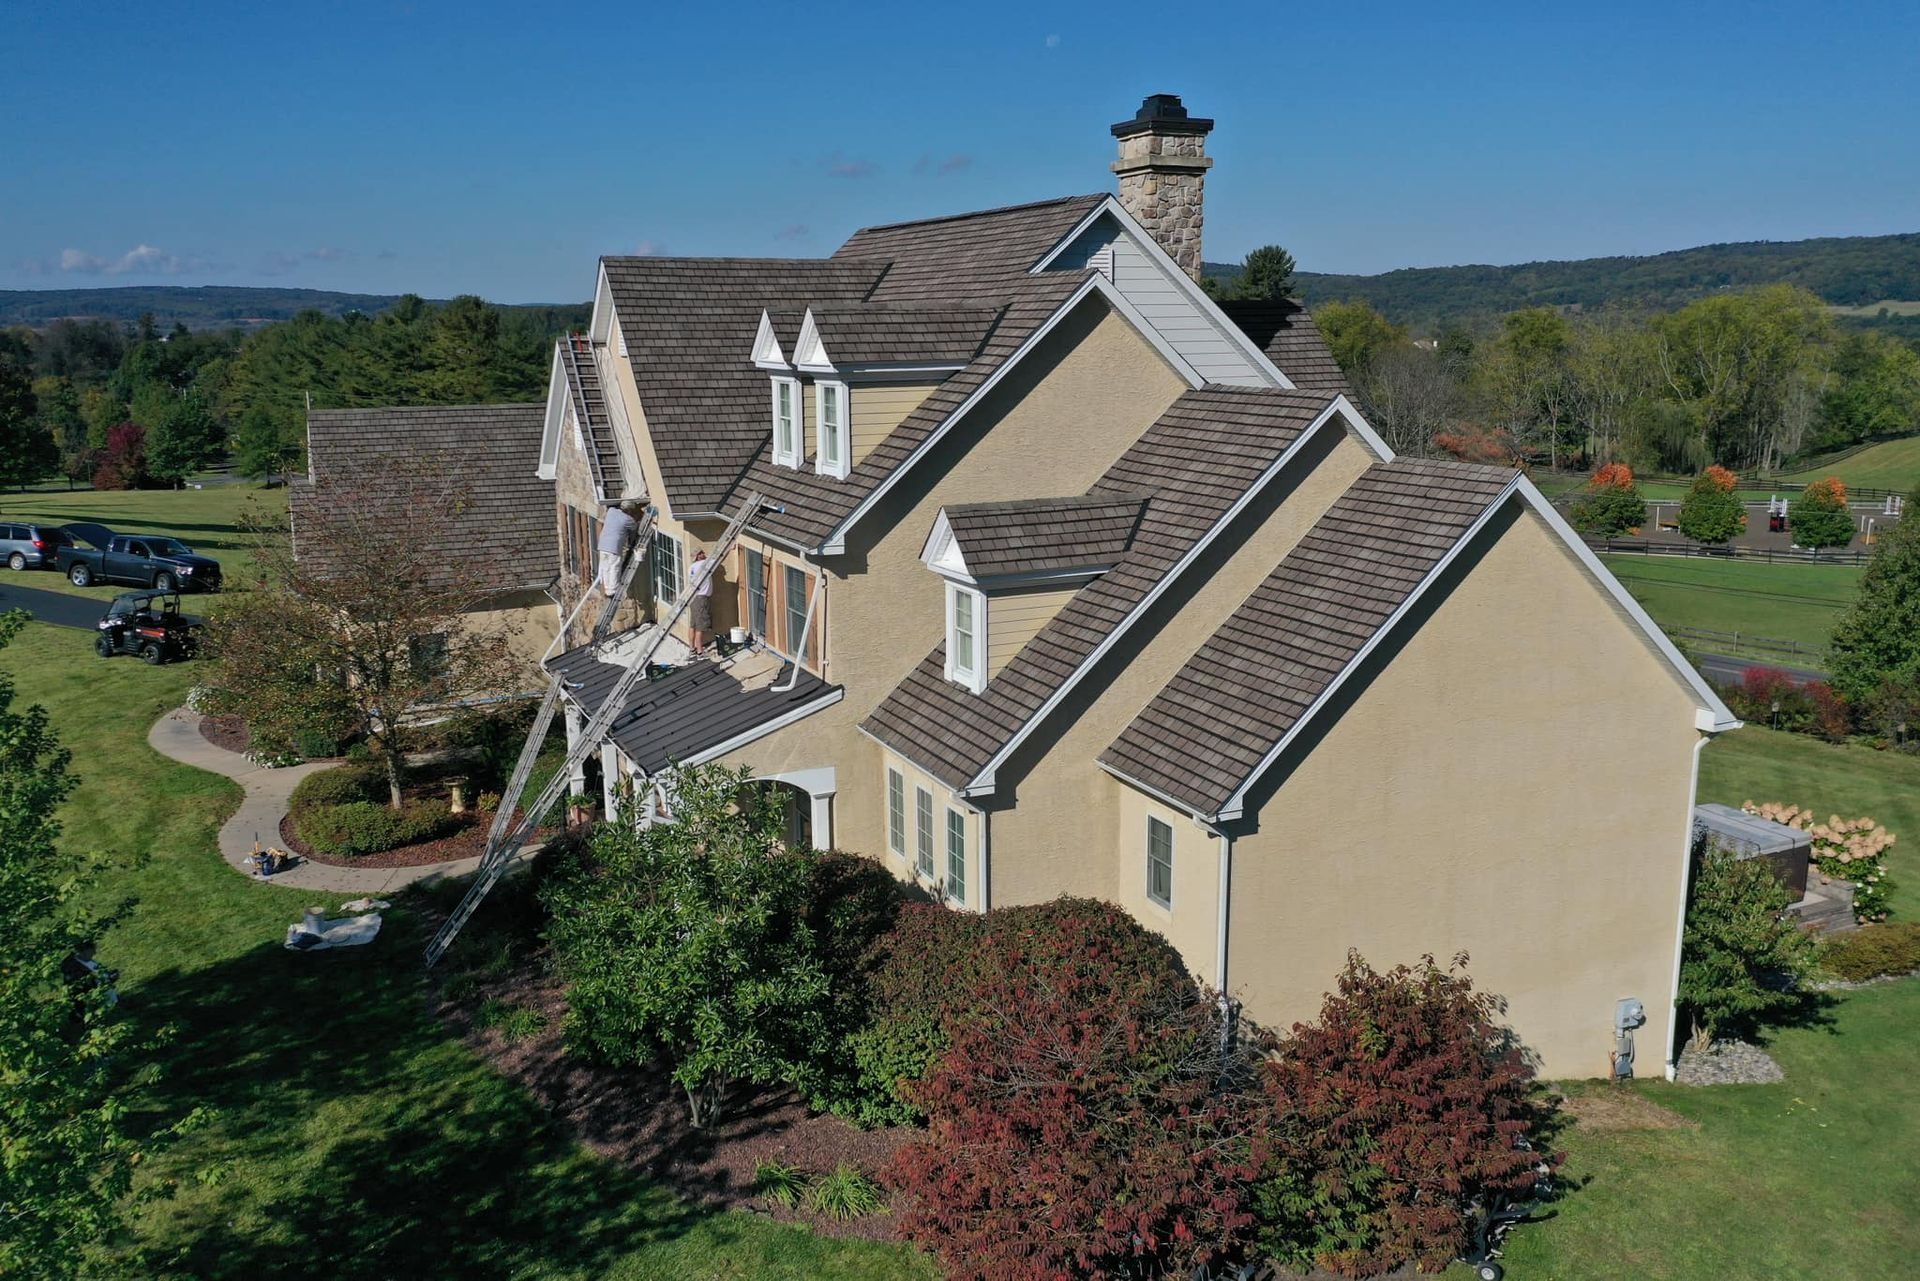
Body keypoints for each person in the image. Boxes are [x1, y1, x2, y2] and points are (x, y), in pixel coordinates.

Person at [597, 500, 642, 596]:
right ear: (629, 510)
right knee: (614, 567)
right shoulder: (627, 519)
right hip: (613, 547)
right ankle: (613, 591)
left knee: (606, 567)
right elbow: (634, 527)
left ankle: (607, 589)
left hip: (603, 545)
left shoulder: (611, 511)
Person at [687, 548, 716, 654]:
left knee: (693, 624)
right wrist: (730, 548)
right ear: (698, 556)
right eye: (702, 553)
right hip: (701, 599)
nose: (704, 554)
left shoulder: (691, 567)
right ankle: (699, 651)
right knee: (700, 626)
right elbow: (719, 558)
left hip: (693, 598)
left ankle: (691, 648)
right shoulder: (704, 564)